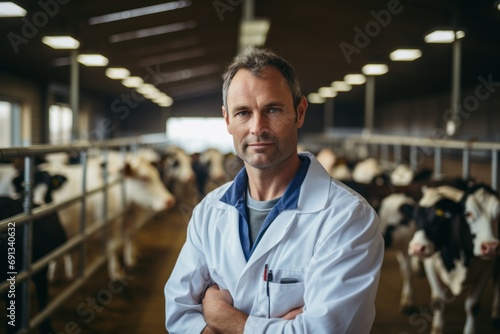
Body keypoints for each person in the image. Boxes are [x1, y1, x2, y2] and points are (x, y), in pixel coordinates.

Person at [164, 47, 384, 333]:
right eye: (243, 112)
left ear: (300, 112)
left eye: (273, 109)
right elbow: (178, 316)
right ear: (227, 120)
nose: (258, 127)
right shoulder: (209, 210)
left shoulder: (347, 217)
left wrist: (222, 318)